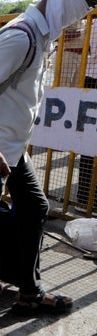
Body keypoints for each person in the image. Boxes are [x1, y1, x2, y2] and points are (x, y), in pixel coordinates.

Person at [0, 0, 92, 314]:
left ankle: (29, 292)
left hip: (12, 150)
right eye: (84, 3)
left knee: (34, 206)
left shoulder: (41, 35)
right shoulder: (20, 37)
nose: (84, 12)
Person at [76, 17, 97, 209]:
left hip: (90, 78)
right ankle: (86, 199)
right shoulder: (93, 22)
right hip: (93, 80)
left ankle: (87, 198)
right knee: (89, 143)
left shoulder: (90, 22)